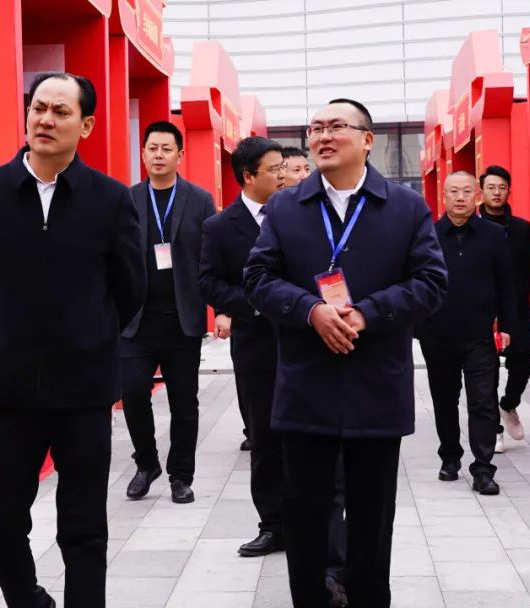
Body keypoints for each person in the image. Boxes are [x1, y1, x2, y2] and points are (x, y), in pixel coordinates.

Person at [244, 98, 447, 607]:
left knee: (373, 518)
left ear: (367, 140)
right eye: (316, 128)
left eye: (337, 126)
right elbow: (257, 277)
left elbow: (431, 282)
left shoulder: (405, 207)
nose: (323, 136)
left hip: (376, 384)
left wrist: (368, 314)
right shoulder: (286, 207)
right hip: (305, 386)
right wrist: (310, 310)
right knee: (304, 515)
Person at [0, 72, 144, 608]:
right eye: (38, 108)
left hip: (83, 390)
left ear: (86, 125)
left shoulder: (110, 199)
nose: (45, 120)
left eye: (61, 112)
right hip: (10, 388)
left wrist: (85, 335)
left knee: (84, 527)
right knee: (0, 521)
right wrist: (8, 331)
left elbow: (130, 288)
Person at [121, 121, 216, 504]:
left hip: (182, 318)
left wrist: (221, 310)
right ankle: (146, 463)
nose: (158, 155)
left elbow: (212, 258)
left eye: (166, 148)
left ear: (180, 154)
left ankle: (181, 475)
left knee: (184, 401)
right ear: (143, 153)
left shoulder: (200, 200)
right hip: (136, 320)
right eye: (152, 148)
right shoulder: (127, 199)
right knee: (132, 393)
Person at [199, 136, 285, 556]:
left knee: (309, 436)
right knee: (265, 440)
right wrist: (252, 305)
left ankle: (313, 522)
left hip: (305, 341)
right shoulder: (219, 227)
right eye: (274, 169)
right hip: (256, 346)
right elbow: (209, 281)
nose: (283, 175)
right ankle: (273, 525)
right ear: (249, 176)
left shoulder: (298, 214)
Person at [274, 146, 348, 603]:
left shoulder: (363, 212)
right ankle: (280, 534)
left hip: (352, 353)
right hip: (282, 357)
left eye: (306, 167)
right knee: (293, 477)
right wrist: (306, 310)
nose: (302, 174)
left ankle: (336, 572)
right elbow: (249, 277)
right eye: (293, 169)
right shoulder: (281, 215)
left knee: (340, 479)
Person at [417, 171, 515, 496]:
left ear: (477, 196)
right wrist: (418, 326)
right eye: (454, 192)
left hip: (479, 335)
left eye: (467, 192)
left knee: (483, 400)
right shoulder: (428, 236)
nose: (460, 198)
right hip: (438, 334)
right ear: (443, 196)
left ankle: (483, 469)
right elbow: (415, 282)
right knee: (444, 399)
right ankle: (450, 456)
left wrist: (508, 326)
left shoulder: (493, 235)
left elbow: (507, 284)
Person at [478, 165, 530, 453]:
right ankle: (494, 429)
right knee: (487, 372)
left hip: (516, 309)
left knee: (521, 367)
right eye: (491, 187)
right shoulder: (473, 225)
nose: (496, 192)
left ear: (509, 191)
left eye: (502, 187)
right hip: (483, 310)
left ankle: (508, 404)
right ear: (482, 191)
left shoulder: (521, 229)